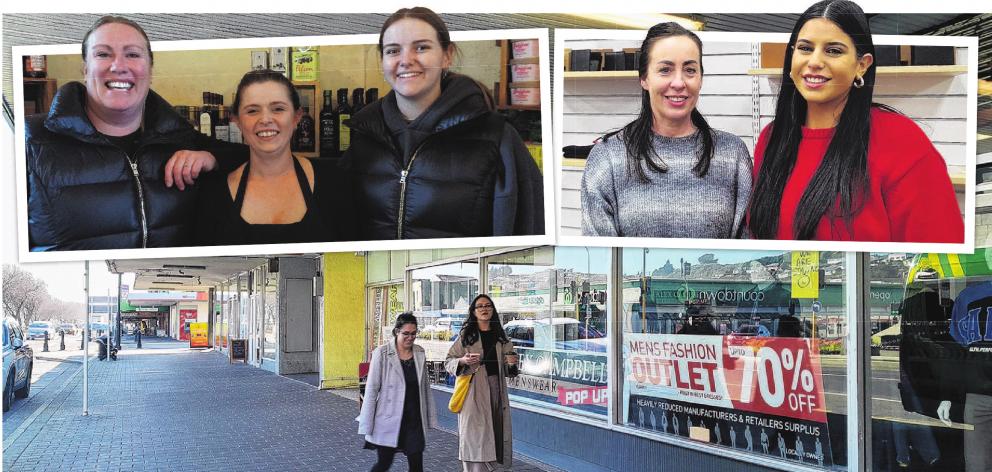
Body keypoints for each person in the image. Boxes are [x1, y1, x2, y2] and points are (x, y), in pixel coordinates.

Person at [748, 0, 963, 243]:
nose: (815, 61)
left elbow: (939, 251)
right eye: (805, 48)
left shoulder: (901, 141)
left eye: (834, 50)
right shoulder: (771, 138)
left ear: (862, 65)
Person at [24, 15, 245, 251]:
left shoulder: (179, 136)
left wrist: (212, 158)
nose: (119, 66)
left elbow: (253, 157)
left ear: (149, 69)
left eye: (132, 54)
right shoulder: (30, 141)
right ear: (85, 69)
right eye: (103, 54)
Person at [344, 7, 544, 240]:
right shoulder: (363, 137)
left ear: (447, 55)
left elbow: (526, 229)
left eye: (421, 47)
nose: (406, 60)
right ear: (383, 61)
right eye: (393, 51)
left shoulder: (497, 138)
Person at [580, 22, 752, 238]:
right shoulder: (607, 158)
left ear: (700, 79)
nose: (679, 82)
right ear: (644, 79)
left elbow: (745, 250)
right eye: (665, 70)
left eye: (690, 70)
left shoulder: (733, 155)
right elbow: (600, 260)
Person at [193, 70, 356, 245]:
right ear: (237, 122)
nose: (265, 119)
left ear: (296, 118)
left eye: (278, 109)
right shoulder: (213, 194)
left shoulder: (336, 181)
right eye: (252, 111)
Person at [444, 294, 519, 471]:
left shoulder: (501, 337)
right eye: (480, 306)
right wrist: (462, 360)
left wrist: (512, 363)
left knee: (495, 433)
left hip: (496, 391)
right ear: (474, 312)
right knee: (475, 437)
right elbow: (448, 361)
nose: (484, 309)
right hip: (473, 393)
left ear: (493, 310)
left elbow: (511, 370)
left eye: (488, 306)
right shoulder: (466, 336)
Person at [357, 312, 436, 472]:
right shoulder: (382, 353)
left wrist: (430, 417)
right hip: (388, 418)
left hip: (414, 420)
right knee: (384, 464)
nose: (410, 337)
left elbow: (425, 388)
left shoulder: (419, 352)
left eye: (414, 333)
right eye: (406, 333)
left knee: (416, 466)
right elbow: (372, 389)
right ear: (396, 332)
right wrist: (366, 424)